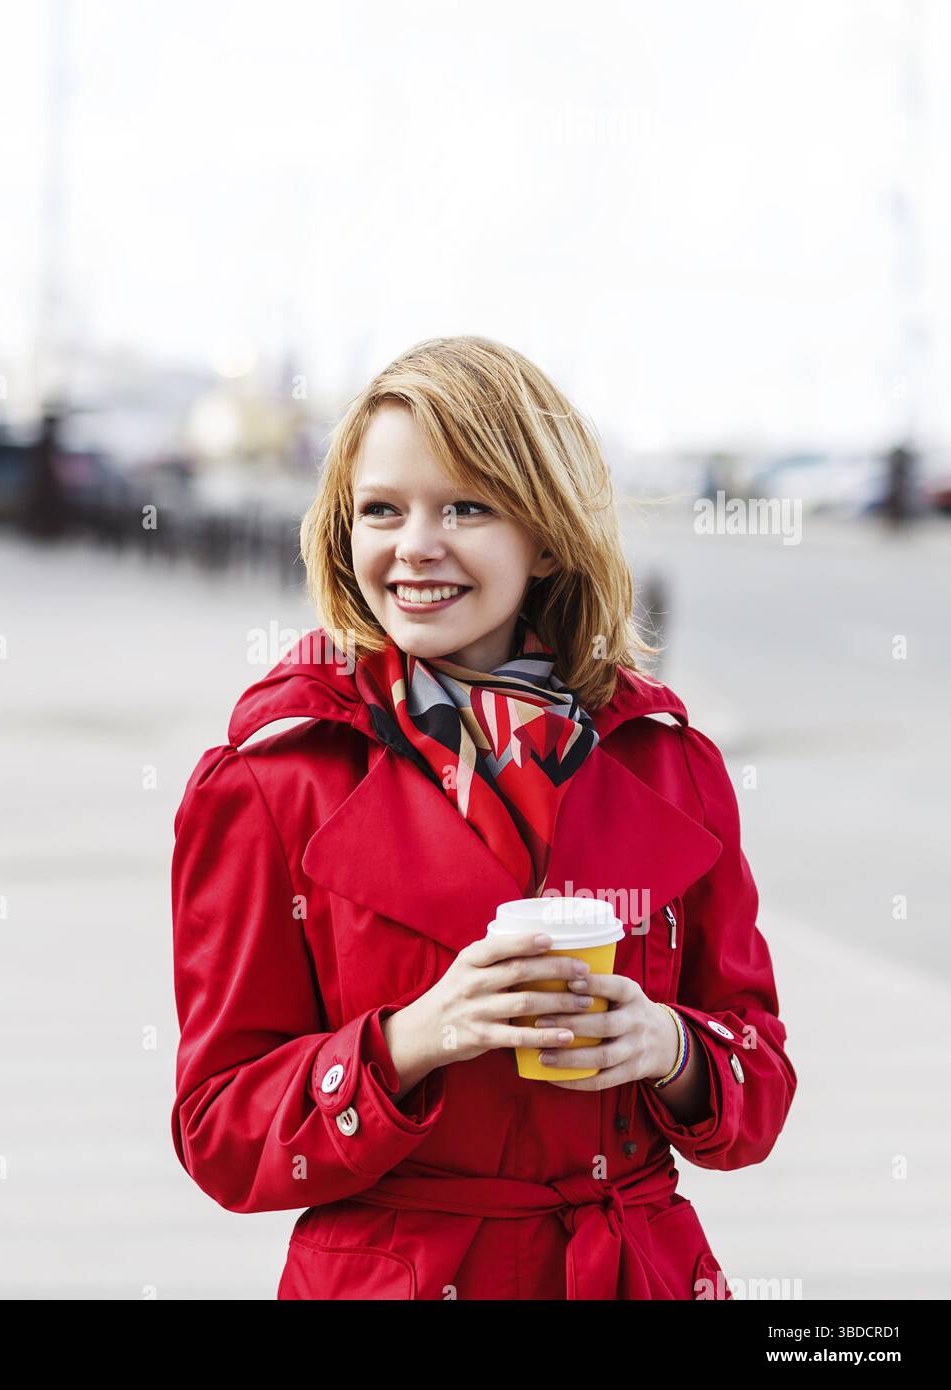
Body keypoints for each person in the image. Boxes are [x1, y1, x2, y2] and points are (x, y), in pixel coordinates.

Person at [169, 336, 796, 1300]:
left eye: (466, 506)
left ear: (545, 535)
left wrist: (669, 1049)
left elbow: (760, 1084)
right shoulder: (272, 783)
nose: (416, 544)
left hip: (634, 1270)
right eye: (381, 509)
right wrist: (413, 1039)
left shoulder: (670, 763)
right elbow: (219, 1133)